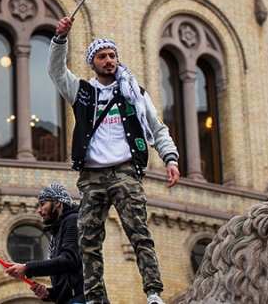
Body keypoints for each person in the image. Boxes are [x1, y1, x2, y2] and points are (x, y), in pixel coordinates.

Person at [47, 16, 180, 304]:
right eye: (102, 56)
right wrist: (60, 39)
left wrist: (170, 158)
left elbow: (157, 128)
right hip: (92, 176)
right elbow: (57, 72)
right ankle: (95, 298)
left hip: (125, 173)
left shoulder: (134, 93)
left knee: (139, 234)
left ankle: (154, 293)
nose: (109, 60)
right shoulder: (82, 92)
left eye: (112, 55)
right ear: (91, 62)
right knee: (88, 242)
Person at [6, 183, 85, 304]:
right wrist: (50, 293)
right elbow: (70, 275)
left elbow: (70, 260)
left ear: (57, 202)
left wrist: (27, 268)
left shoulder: (73, 220)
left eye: (43, 204)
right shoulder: (58, 231)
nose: (39, 210)